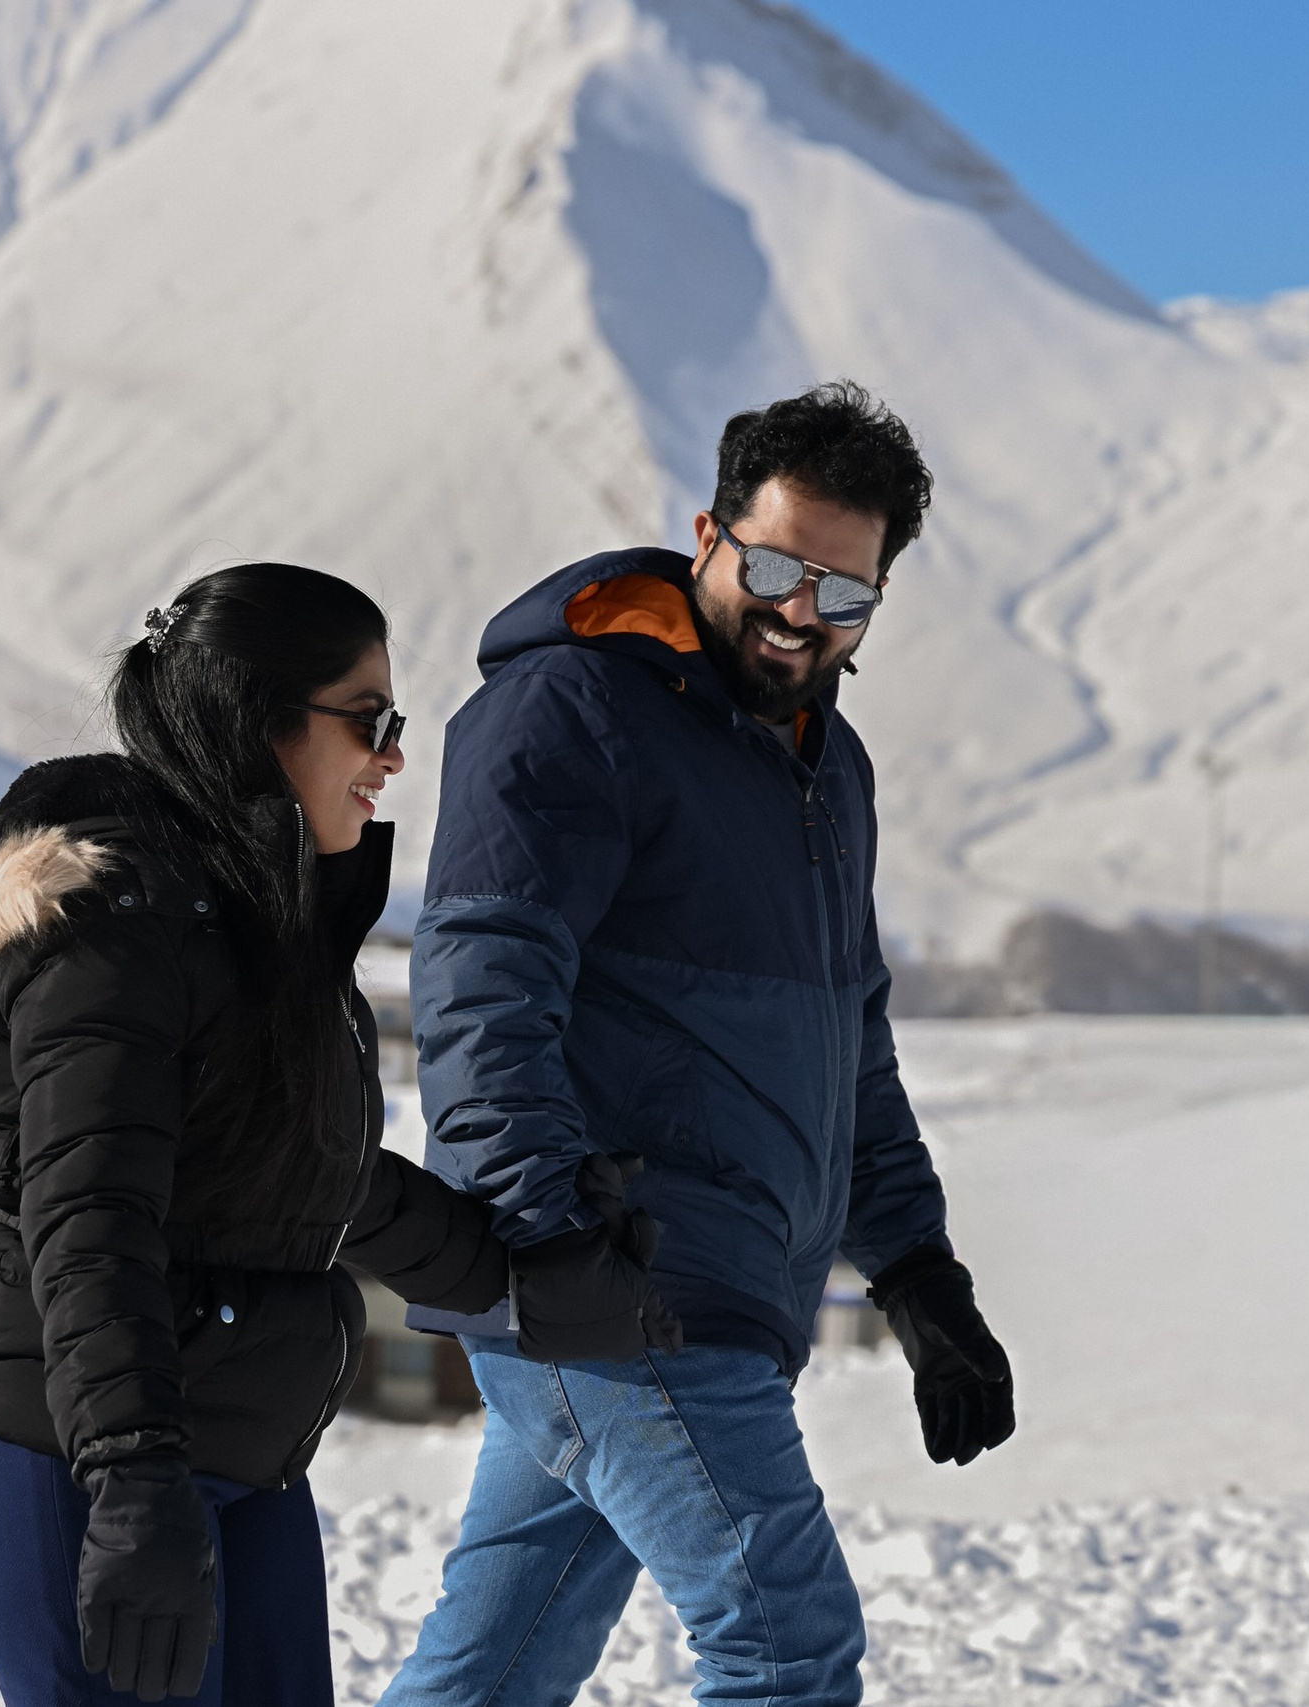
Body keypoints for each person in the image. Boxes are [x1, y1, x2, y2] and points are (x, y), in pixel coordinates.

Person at [382, 383, 1017, 1706]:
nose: (800, 615)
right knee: (787, 1647)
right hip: (620, 1283)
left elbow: (846, 1046)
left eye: (842, 595)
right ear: (708, 535)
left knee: (494, 1671)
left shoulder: (824, 770)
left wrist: (918, 1275)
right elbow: (482, 984)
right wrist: (550, 1234)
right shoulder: (574, 710)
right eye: (777, 568)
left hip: (705, 1289)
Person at [0, 564, 509, 1706]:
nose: (394, 757)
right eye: (368, 720)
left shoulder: (252, 910)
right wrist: (130, 1481)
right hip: (70, 1444)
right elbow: (88, 1218)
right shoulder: (113, 926)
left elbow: (301, 1171)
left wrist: (524, 1271)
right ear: (255, 722)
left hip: (223, 1449)